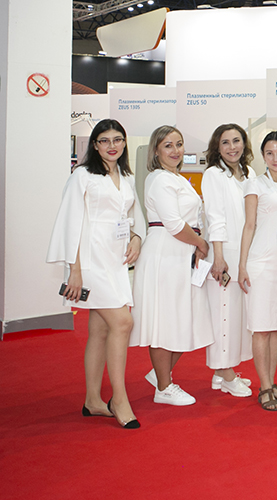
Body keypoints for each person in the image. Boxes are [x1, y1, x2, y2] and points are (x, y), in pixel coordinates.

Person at [47, 119, 144, 428]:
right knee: (123, 322)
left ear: (124, 143)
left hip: (114, 260)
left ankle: (92, 400)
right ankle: (119, 399)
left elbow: (129, 218)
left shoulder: (125, 177)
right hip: (89, 261)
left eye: (117, 139)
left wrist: (136, 238)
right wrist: (74, 270)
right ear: (95, 145)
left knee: (100, 330)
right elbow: (70, 222)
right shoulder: (82, 175)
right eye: (104, 140)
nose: (112, 146)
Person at [129, 125, 213, 407]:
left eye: (179, 144)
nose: (175, 150)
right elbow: (174, 224)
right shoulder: (160, 179)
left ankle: (159, 373)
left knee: (184, 318)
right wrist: (201, 244)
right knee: (165, 320)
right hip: (166, 254)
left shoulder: (177, 178)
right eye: (168, 145)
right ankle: (164, 387)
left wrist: (197, 243)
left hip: (181, 253)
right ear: (156, 150)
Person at [237, 131, 277, 411]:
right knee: (261, 328)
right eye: (269, 153)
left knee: (275, 327)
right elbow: (249, 225)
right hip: (260, 263)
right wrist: (242, 265)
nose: (275, 158)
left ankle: (272, 383)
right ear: (263, 156)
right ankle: (264, 387)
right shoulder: (254, 184)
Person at [200, 124, 256, 399]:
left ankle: (222, 372)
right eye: (225, 142)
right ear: (217, 147)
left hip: (244, 255)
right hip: (223, 255)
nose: (232, 147)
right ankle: (224, 371)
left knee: (237, 318)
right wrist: (219, 258)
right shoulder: (213, 174)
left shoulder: (249, 173)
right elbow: (215, 218)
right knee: (223, 316)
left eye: (236, 141)